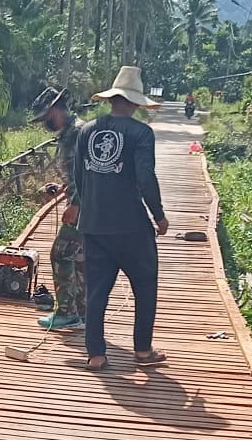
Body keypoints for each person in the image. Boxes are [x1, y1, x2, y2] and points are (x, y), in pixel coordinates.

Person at [72, 66, 170, 372]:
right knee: (145, 284)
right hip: (131, 227)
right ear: (136, 103)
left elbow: (78, 178)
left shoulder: (86, 130)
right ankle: (142, 350)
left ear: (112, 99)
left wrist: (82, 208)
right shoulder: (141, 133)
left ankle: (96, 354)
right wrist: (159, 215)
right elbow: (145, 176)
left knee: (96, 290)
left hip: (94, 225)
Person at [29, 86, 86, 332]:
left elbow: (86, 174)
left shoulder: (77, 133)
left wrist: (75, 204)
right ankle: (82, 313)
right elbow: (76, 173)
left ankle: (66, 312)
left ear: (56, 109)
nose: (45, 124)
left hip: (83, 206)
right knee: (80, 259)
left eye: (46, 117)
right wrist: (63, 187)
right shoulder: (71, 132)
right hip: (85, 203)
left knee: (60, 253)